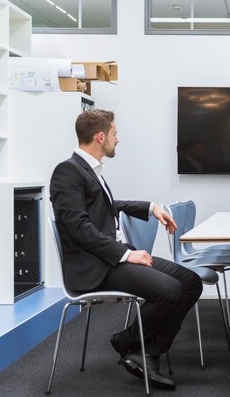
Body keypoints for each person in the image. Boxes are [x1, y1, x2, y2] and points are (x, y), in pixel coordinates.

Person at [50, 109, 202, 390]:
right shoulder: (67, 172)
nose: (117, 140)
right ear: (100, 136)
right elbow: (77, 226)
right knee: (170, 291)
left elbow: (108, 206)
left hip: (114, 259)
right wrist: (124, 254)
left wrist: (150, 207)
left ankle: (142, 348)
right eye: (114, 134)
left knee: (190, 283)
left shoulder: (90, 171)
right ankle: (134, 344)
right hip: (97, 266)